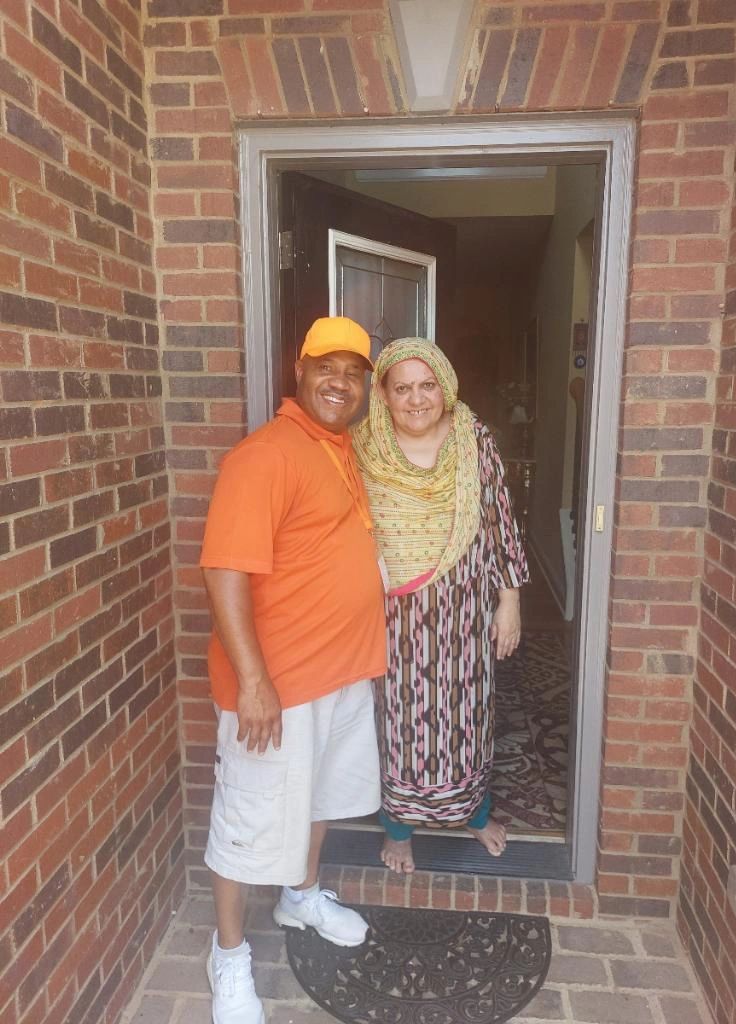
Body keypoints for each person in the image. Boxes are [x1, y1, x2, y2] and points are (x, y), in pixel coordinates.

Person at [199, 316, 386, 1024]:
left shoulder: (336, 449)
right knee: (245, 823)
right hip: (275, 689)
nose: (340, 381)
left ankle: (300, 896)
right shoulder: (266, 455)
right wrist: (253, 682)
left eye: (354, 371)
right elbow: (224, 571)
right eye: (325, 367)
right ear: (298, 372)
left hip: (339, 676)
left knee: (317, 802)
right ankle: (230, 956)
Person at [352, 338, 529, 875]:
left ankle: (475, 814)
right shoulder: (363, 446)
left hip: (464, 608)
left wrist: (510, 600)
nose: (415, 399)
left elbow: (500, 521)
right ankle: (399, 829)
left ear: (445, 386)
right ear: (382, 394)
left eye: (426, 385)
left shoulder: (475, 441)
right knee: (399, 721)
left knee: (466, 714)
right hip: (392, 616)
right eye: (401, 387)